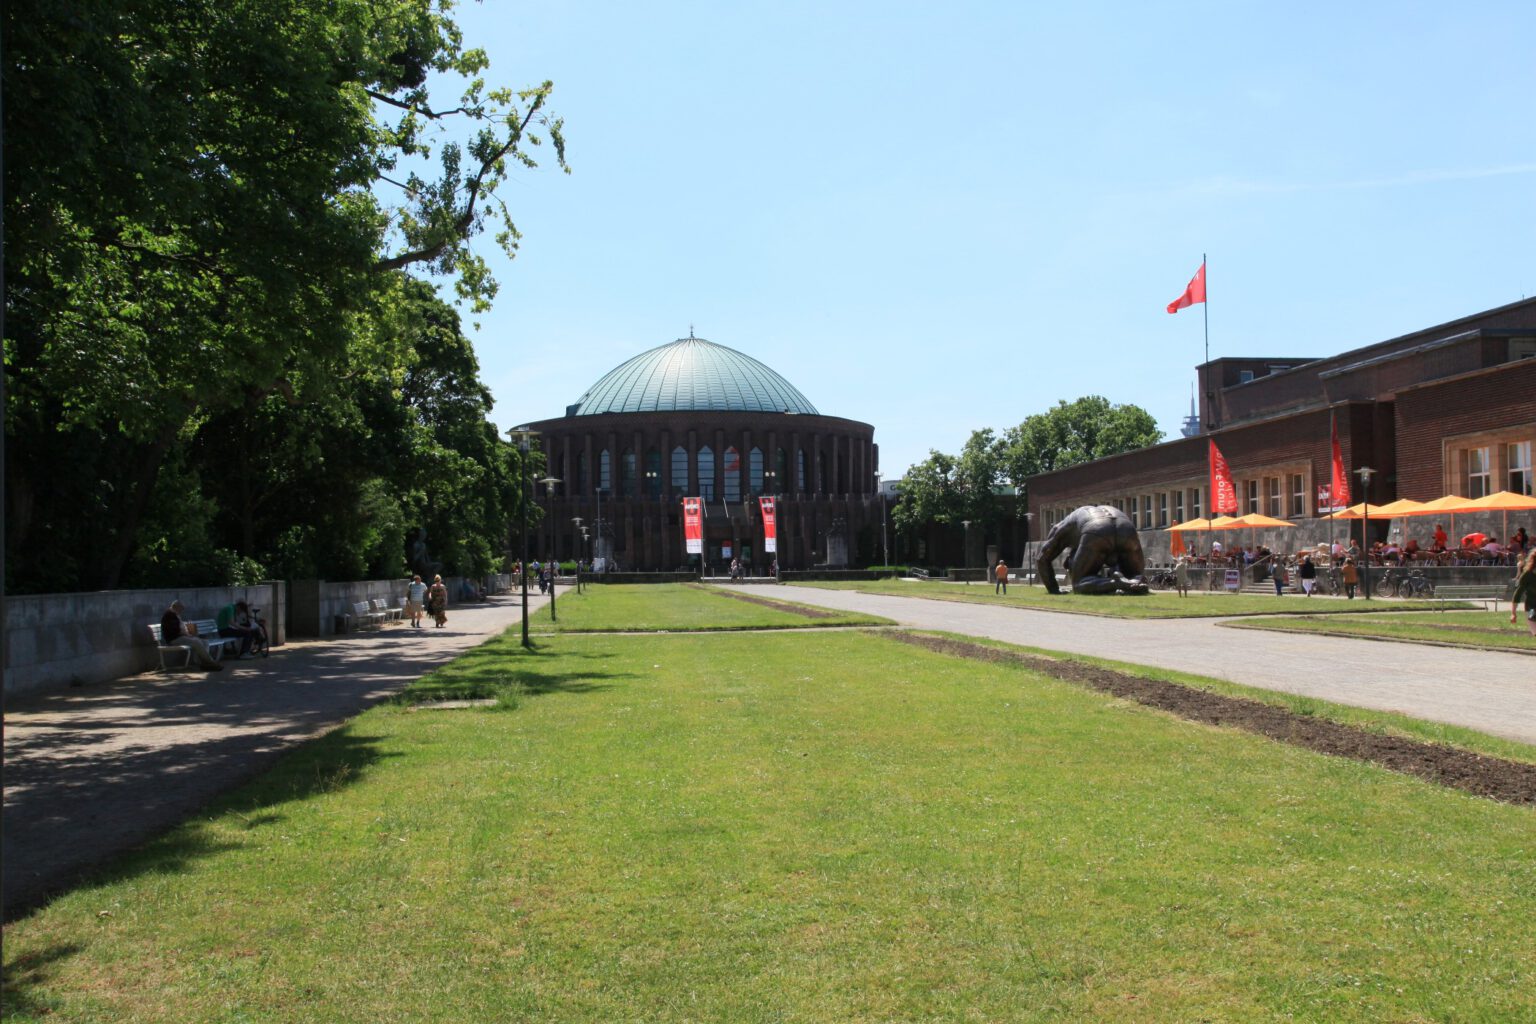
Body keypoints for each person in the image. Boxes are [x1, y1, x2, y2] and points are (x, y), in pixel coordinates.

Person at [161, 600, 223, 671]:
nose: (181, 611)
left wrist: (189, 631)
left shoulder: (175, 615)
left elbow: (180, 628)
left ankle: (204, 664)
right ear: (175, 607)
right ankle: (211, 662)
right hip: (174, 639)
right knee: (196, 642)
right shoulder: (169, 615)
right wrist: (188, 635)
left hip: (181, 637)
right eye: (180, 609)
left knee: (205, 642)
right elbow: (175, 631)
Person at [1511, 550, 1536, 637]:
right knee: (1532, 620)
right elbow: (1518, 594)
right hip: (1531, 608)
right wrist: (1513, 613)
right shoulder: (1527, 575)